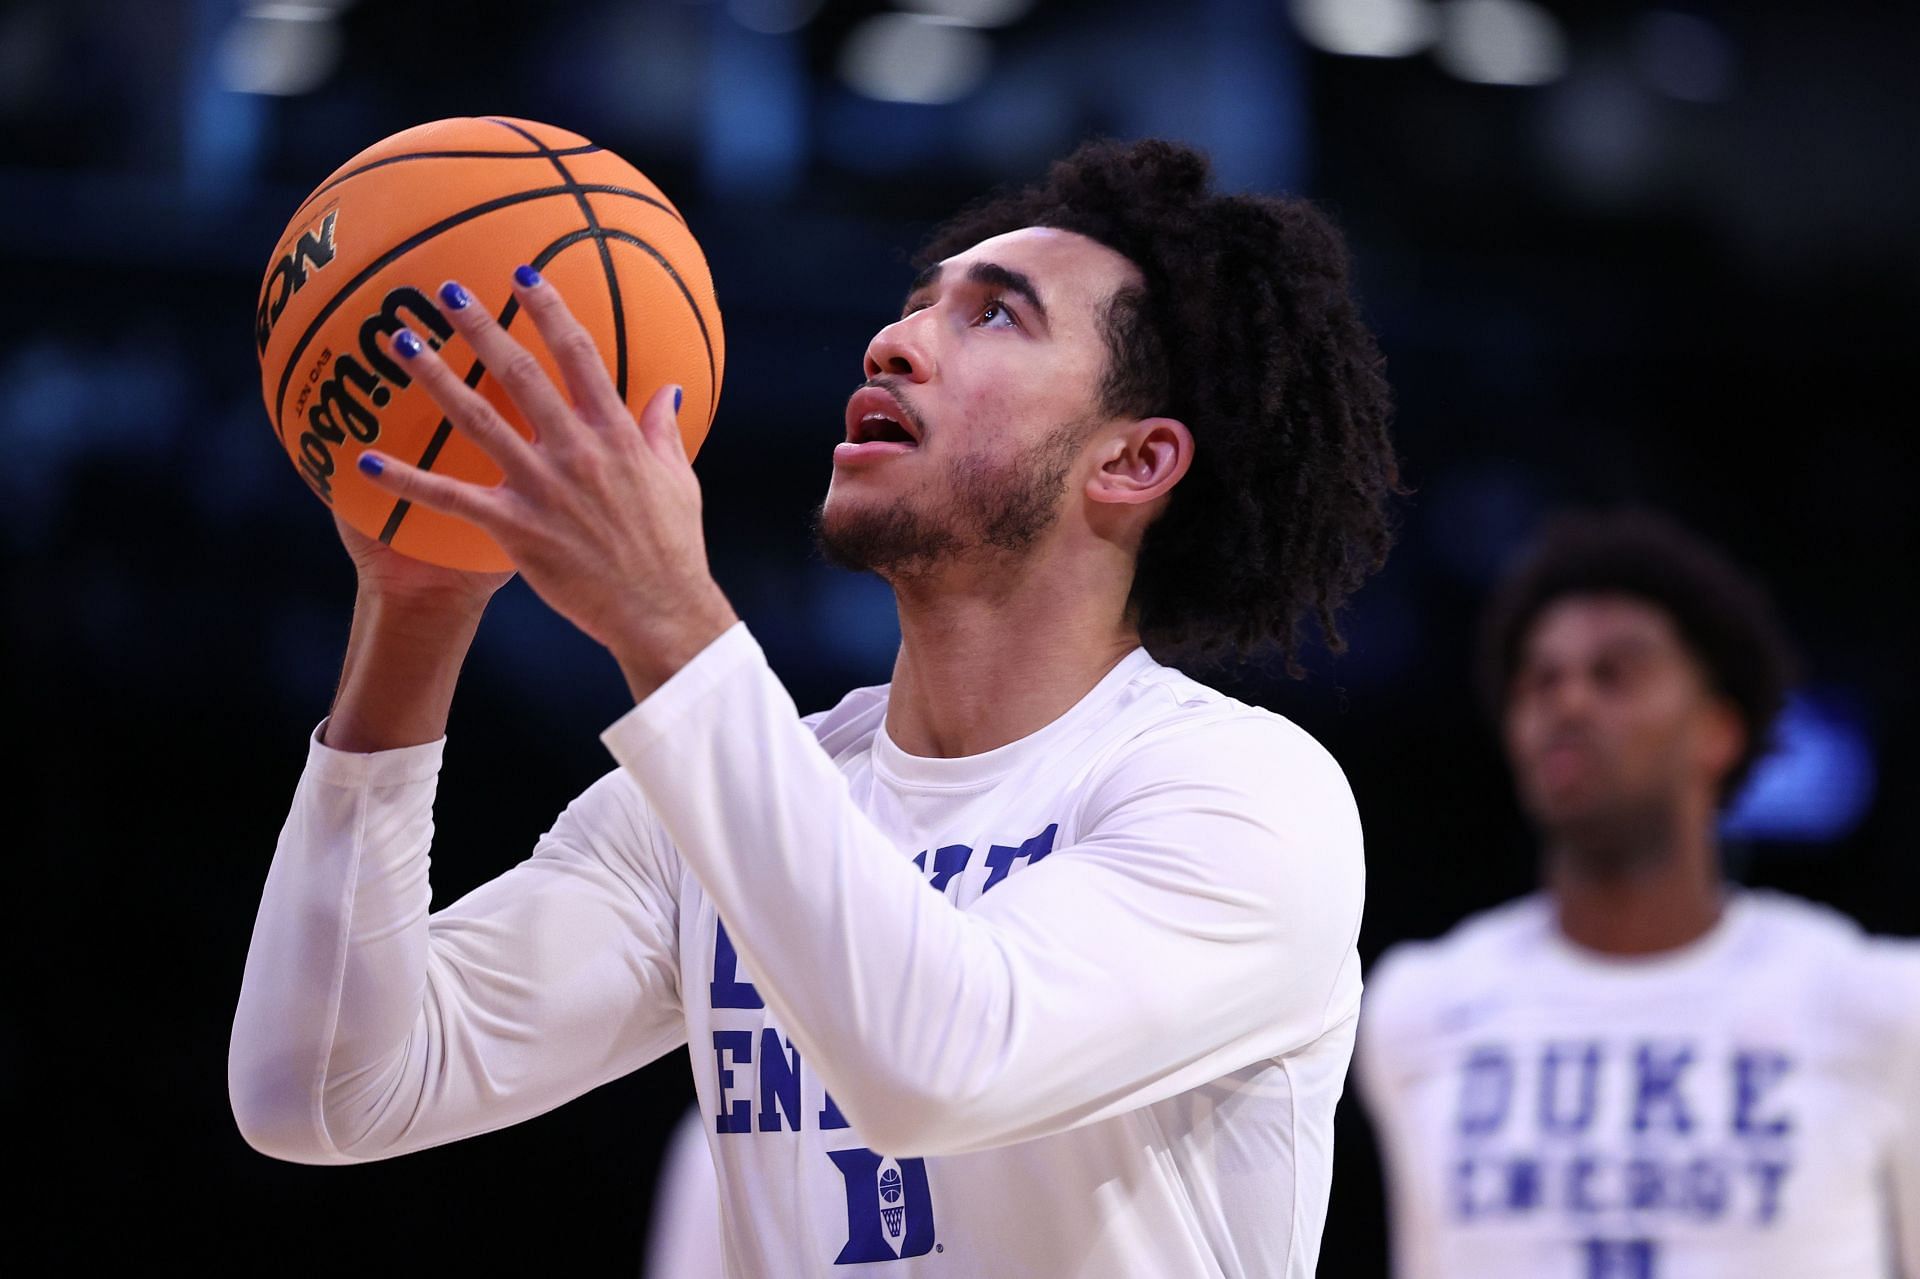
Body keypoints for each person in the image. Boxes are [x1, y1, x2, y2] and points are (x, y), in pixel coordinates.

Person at [228, 137, 1402, 1277]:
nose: (894, 340)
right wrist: (417, 609)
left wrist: (671, 622)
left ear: (1135, 461)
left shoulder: (1242, 793)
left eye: (993, 313)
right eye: (917, 301)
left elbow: (938, 1064)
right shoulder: (730, 795)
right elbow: (326, 1091)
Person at [1356, 510, 1920, 1279]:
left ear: (1718, 729)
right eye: (1540, 680)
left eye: (1614, 673)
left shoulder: (1880, 1002)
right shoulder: (1418, 1004)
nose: (1570, 703)